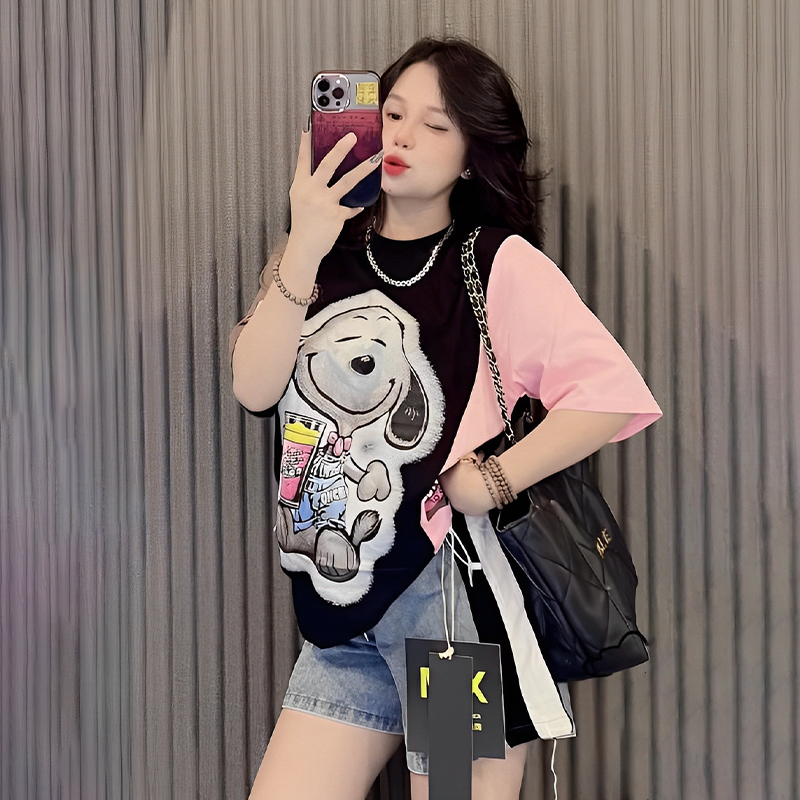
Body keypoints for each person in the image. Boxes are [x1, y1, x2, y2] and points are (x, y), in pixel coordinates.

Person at [230, 37, 661, 800]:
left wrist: (493, 479)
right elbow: (254, 387)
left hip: (449, 615)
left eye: (435, 125)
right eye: (392, 113)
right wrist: (304, 239)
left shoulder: (493, 260)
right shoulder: (318, 254)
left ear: (469, 157)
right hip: (340, 618)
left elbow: (610, 393)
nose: (402, 135)